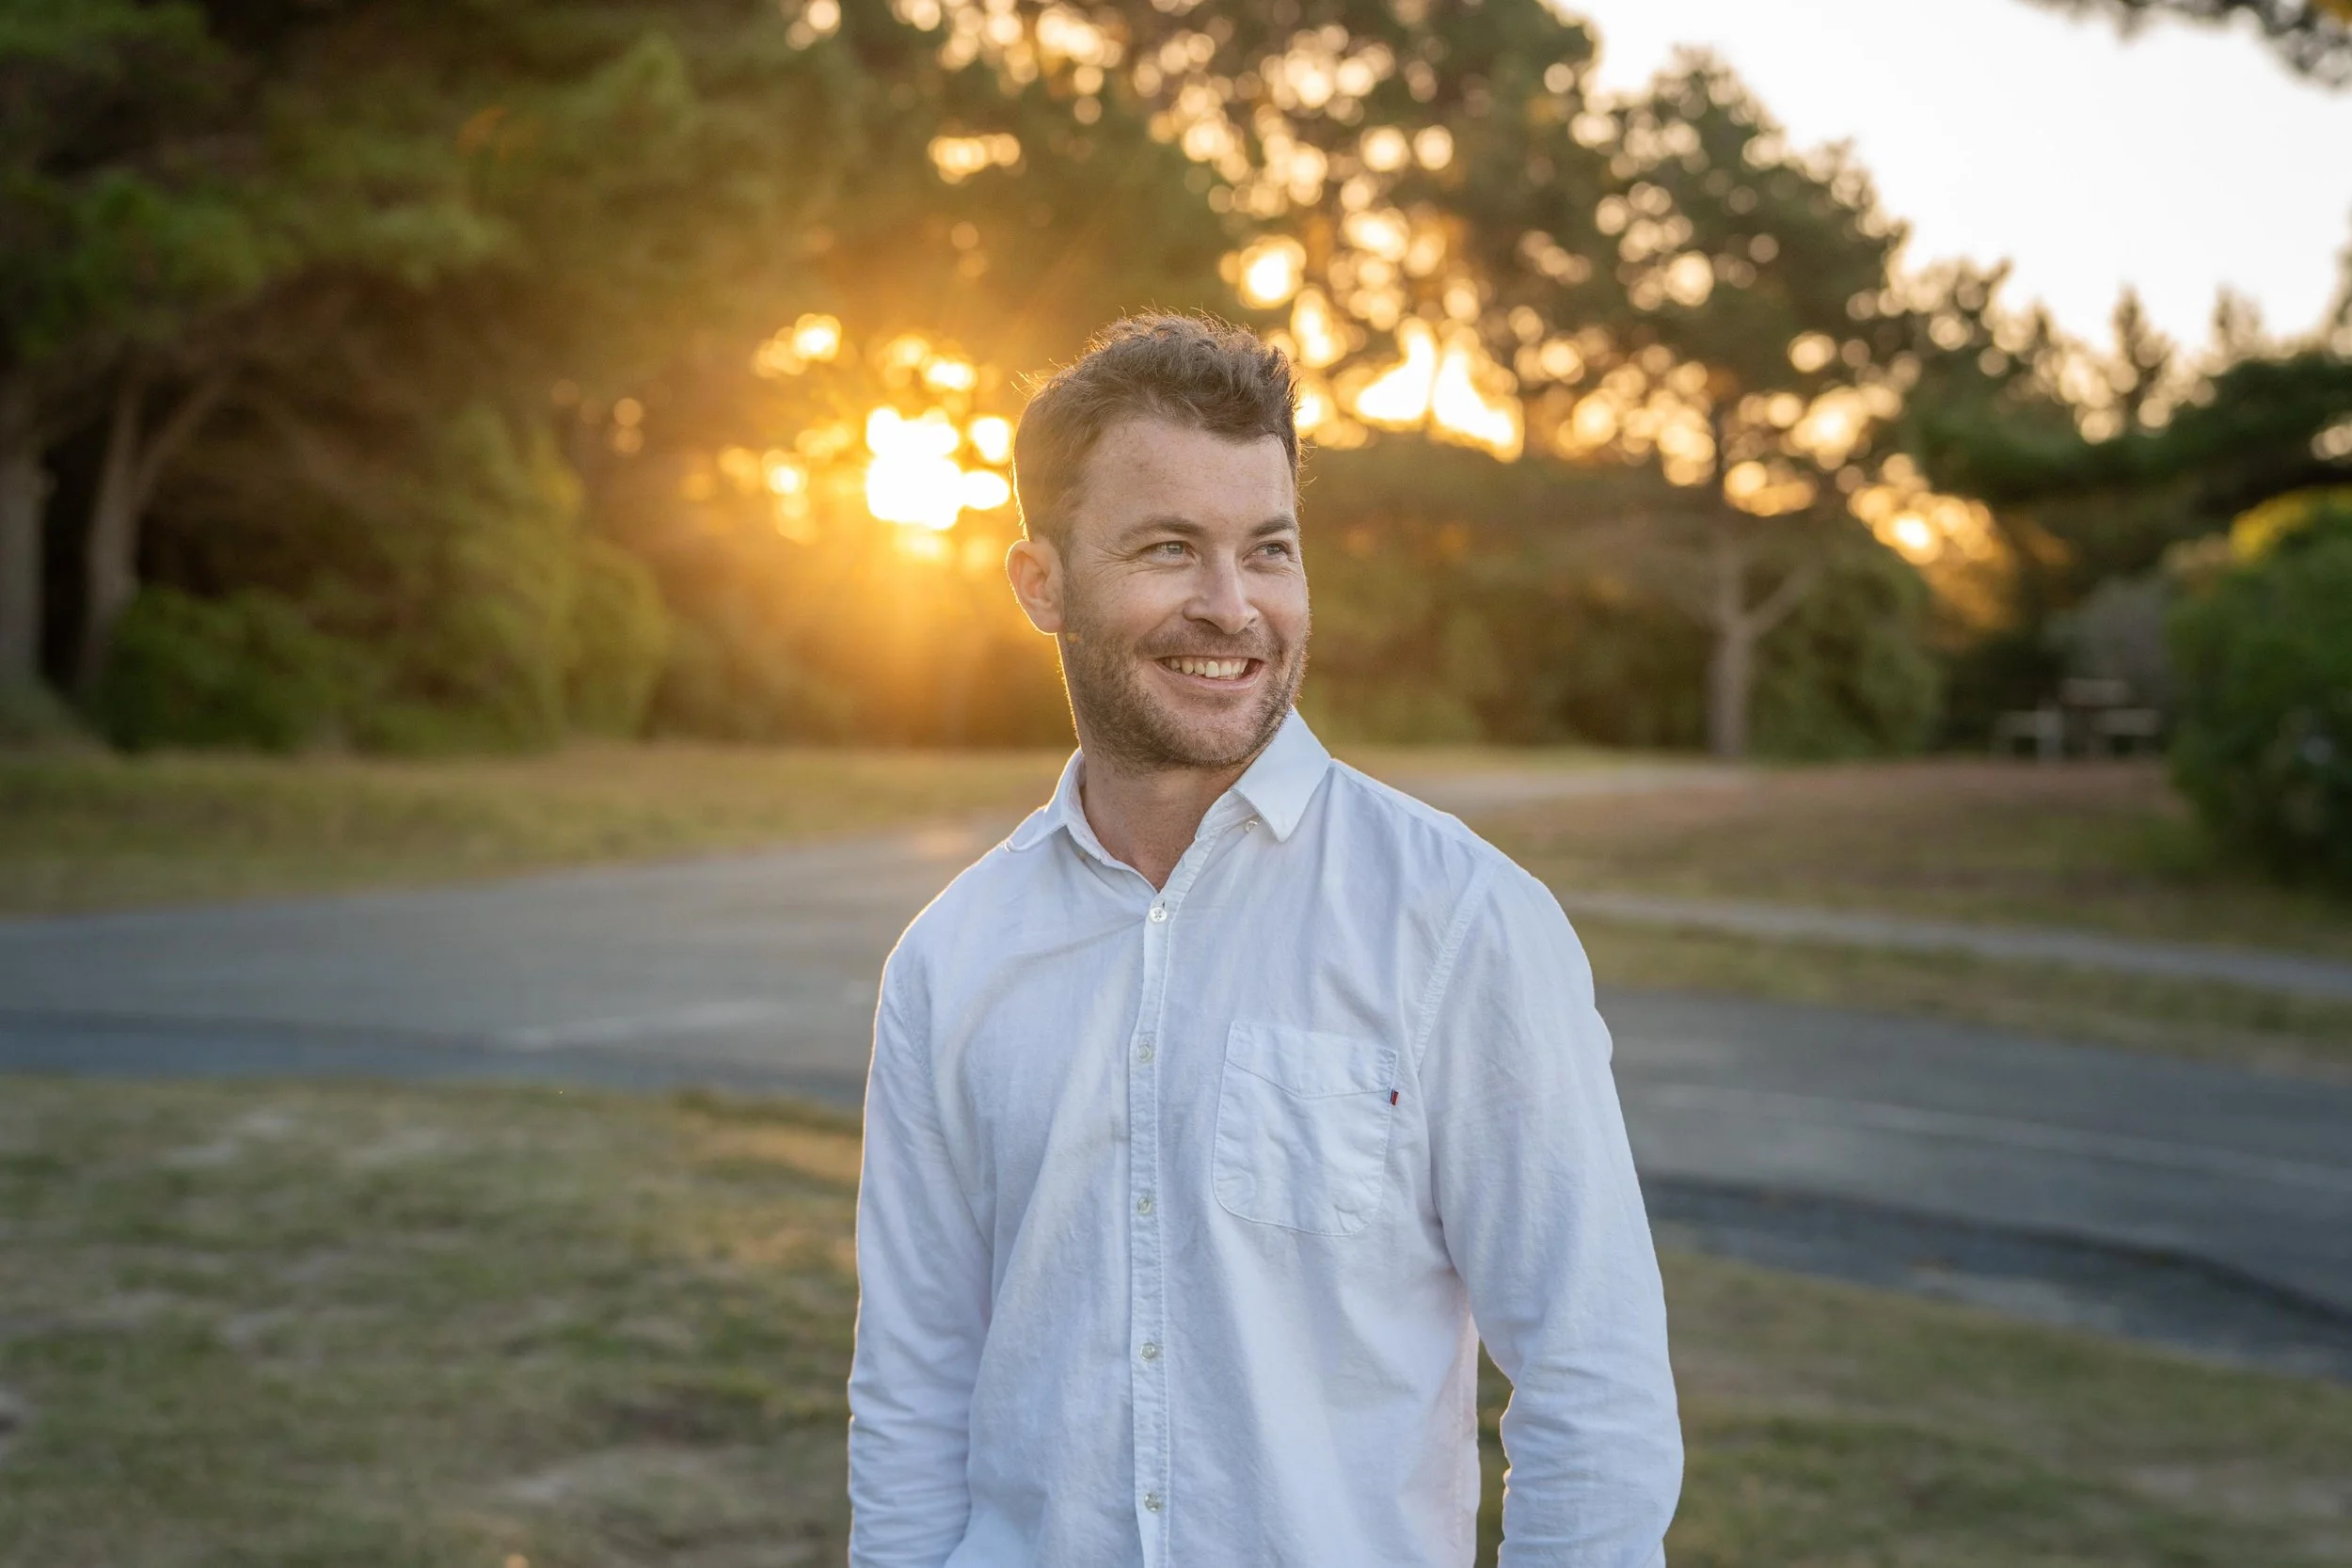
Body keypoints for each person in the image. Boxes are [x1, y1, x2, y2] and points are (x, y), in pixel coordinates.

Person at [847, 314, 1681, 1567]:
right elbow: (914, 1394)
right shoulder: (948, 959)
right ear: (1042, 582)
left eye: (1269, 550)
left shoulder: (1461, 922)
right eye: (1169, 548)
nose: (1232, 607)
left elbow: (1594, 1387)